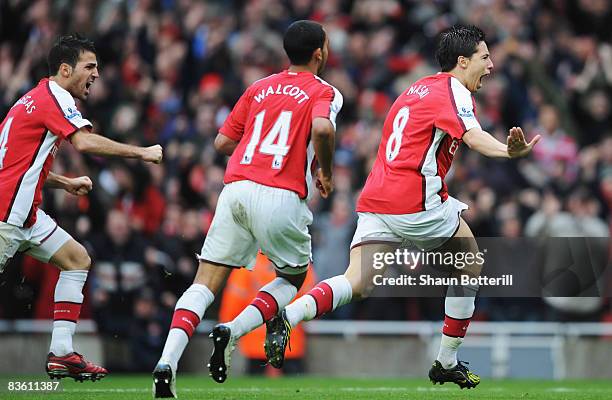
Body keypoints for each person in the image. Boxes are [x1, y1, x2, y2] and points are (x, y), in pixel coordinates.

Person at [264, 24, 540, 389]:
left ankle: (290, 314)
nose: (490, 66)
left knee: (357, 282)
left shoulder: (414, 88)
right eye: (485, 57)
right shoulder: (453, 89)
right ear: (462, 61)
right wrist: (509, 151)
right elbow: (472, 136)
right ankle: (446, 361)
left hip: (378, 197)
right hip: (415, 202)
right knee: (470, 263)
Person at [152, 20, 342, 398]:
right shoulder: (325, 91)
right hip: (281, 194)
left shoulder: (259, 87)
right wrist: (324, 170)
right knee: (292, 278)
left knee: (204, 283)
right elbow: (322, 129)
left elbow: (223, 140)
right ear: (320, 52)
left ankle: (166, 364)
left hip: (236, 188)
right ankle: (234, 331)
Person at [0, 34, 163, 382]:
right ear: (64, 69)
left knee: (77, 259)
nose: (97, 74)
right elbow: (85, 141)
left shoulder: (29, 100)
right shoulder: (54, 97)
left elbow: (18, 166)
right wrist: (142, 152)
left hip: (25, 214)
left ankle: (62, 353)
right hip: (6, 217)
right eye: (90, 66)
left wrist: (65, 183)